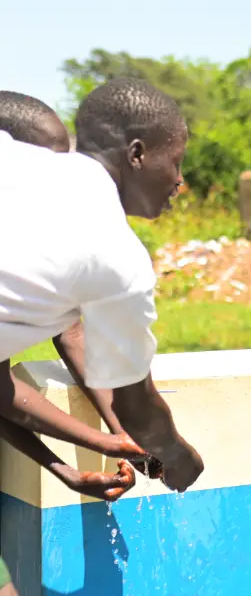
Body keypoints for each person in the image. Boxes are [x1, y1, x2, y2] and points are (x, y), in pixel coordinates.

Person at [0, 77, 205, 496]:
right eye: (176, 162)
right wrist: (179, 457)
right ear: (137, 154)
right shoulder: (116, 258)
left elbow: (72, 333)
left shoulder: (13, 158)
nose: (180, 180)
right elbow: (136, 403)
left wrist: (113, 441)